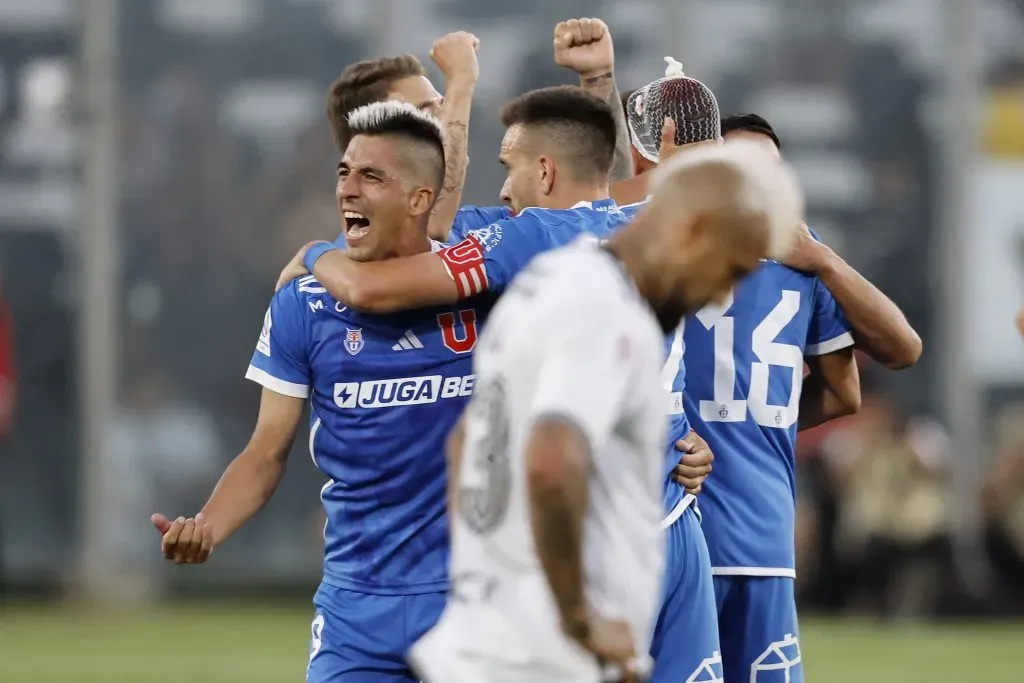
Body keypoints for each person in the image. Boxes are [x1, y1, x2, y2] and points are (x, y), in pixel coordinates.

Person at [409, 139, 804, 683]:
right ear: (694, 232)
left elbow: (465, 445)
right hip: (545, 655)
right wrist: (579, 617)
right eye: (732, 270)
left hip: (495, 637)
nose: (722, 295)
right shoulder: (609, 310)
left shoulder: (557, 278)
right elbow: (552, 459)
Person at [153, 102, 488, 683]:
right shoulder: (301, 304)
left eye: (371, 177)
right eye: (344, 173)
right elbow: (264, 452)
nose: (347, 191)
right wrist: (208, 525)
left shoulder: (488, 284)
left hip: (480, 599)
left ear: (418, 199)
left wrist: (680, 437)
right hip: (357, 605)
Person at [679, 112, 922, 683]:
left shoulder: (802, 261)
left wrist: (824, 260)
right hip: (680, 524)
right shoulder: (659, 245)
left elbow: (871, 373)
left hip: (758, 532)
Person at [326, 32, 481, 241]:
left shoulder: (472, 226)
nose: (447, 121)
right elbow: (431, 225)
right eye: (426, 112)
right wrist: (461, 80)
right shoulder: (349, 258)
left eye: (444, 106)